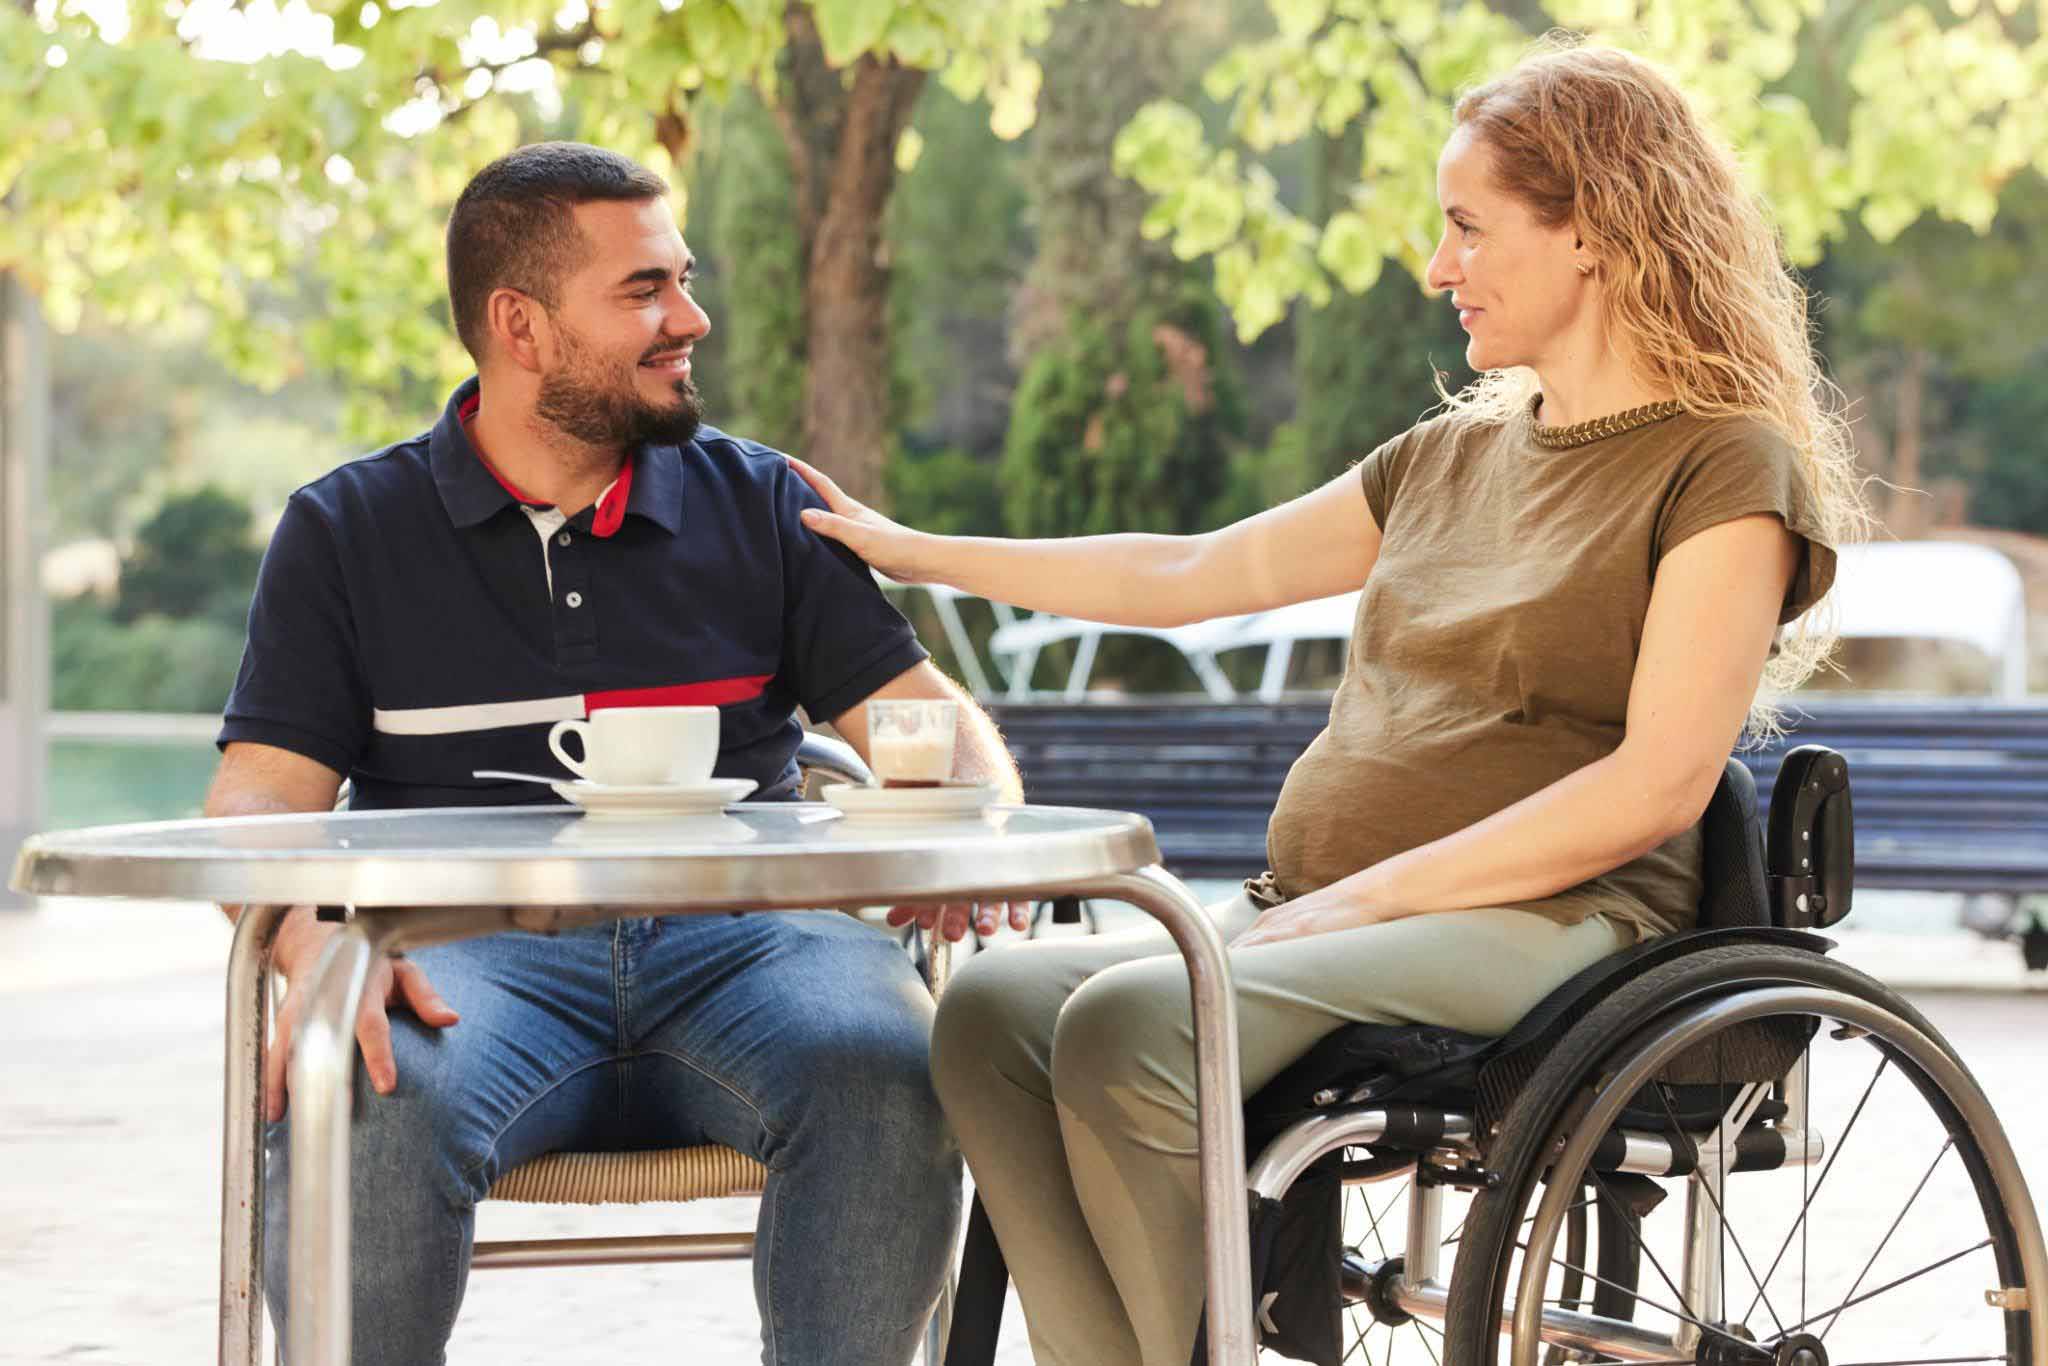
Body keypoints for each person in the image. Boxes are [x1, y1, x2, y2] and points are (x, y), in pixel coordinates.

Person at [788, 40, 1863, 1366]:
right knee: (992, 1011)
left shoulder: (1721, 468)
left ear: (1591, 230)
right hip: (1327, 911)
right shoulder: (1449, 454)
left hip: (1554, 922)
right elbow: (1191, 572)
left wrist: (1369, 893)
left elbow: (1653, 786)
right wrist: (918, 548)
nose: (1435, 266)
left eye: (1468, 226)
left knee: (1135, 1021)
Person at [203, 141, 1026, 1366]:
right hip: (462, 956)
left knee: (893, 1067)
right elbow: (257, 803)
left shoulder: (761, 503)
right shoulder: (345, 528)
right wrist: (319, 941)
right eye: (643, 291)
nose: (690, 318)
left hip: (756, 948)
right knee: (358, 1083)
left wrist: (969, 811)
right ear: (518, 326)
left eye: (682, 280)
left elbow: (933, 731)